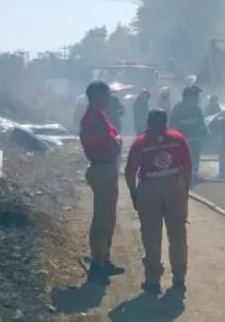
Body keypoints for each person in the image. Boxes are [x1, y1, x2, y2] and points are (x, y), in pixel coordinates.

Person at [125, 109, 192, 294]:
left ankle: (153, 281)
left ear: (148, 122)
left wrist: (134, 192)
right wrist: (184, 190)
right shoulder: (177, 138)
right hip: (174, 185)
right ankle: (179, 278)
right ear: (165, 121)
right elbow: (187, 166)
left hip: (149, 187)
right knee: (178, 234)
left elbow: (130, 170)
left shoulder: (140, 142)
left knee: (151, 236)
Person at [78, 81, 126, 284]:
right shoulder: (93, 120)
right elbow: (112, 143)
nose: (109, 99)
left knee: (108, 217)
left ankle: (104, 259)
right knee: (102, 218)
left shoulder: (100, 116)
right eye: (106, 96)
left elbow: (114, 136)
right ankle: (98, 264)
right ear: (96, 97)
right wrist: (117, 141)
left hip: (106, 168)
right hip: (102, 168)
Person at [169, 85, 208, 186]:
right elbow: (173, 126)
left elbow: (201, 123)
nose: (197, 98)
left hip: (195, 140)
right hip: (182, 141)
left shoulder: (197, 109)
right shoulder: (178, 109)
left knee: (195, 158)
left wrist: (203, 130)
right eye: (195, 96)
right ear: (188, 97)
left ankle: (193, 175)